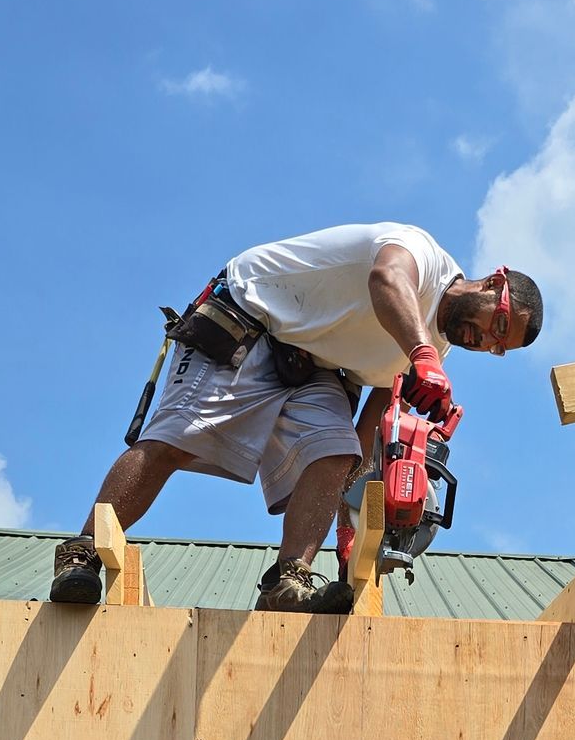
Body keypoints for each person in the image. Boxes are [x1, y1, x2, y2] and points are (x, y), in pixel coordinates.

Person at [49, 225, 544, 615]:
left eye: (500, 345)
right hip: (252, 314)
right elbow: (386, 279)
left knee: (336, 452)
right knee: (177, 439)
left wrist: (350, 512)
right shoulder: (421, 254)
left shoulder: (434, 350)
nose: (488, 341)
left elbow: (373, 417)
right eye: (498, 324)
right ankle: (83, 552)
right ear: (494, 281)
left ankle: (289, 580)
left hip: (315, 365)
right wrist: (420, 355)